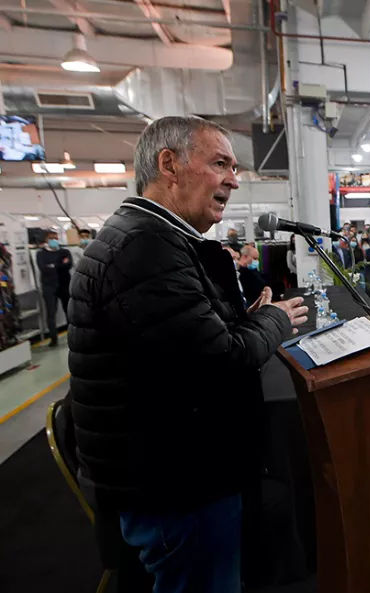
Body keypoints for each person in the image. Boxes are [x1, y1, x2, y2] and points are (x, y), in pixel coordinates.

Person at [68, 116, 310, 593]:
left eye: (234, 167)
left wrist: (243, 319)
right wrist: (275, 320)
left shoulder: (151, 237)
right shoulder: (145, 249)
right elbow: (221, 360)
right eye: (220, 163)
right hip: (176, 484)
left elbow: (184, 344)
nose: (233, 180)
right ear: (169, 164)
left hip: (168, 470)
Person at [36, 230, 72, 346]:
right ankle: (53, 339)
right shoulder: (41, 253)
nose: (54, 240)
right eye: (52, 238)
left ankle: (73, 336)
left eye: (56, 238)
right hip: (49, 286)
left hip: (64, 285)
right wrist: (59, 265)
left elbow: (68, 265)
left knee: (69, 311)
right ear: (46, 240)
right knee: (51, 313)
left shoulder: (64, 251)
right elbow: (43, 268)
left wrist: (52, 265)